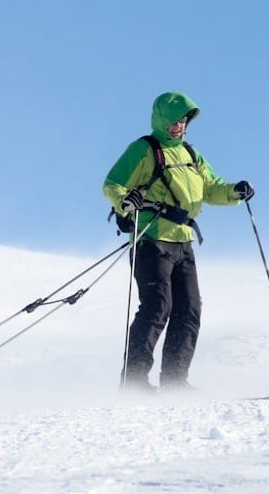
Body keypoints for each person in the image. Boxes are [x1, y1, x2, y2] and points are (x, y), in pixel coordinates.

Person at [103, 91, 255, 392]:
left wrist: (234, 191)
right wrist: (126, 201)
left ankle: (175, 382)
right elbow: (113, 184)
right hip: (151, 239)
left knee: (189, 311)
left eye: (184, 120)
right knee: (158, 306)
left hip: (183, 242)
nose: (179, 126)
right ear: (161, 120)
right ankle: (134, 381)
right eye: (173, 121)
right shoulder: (144, 149)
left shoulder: (191, 154)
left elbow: (211, 189)